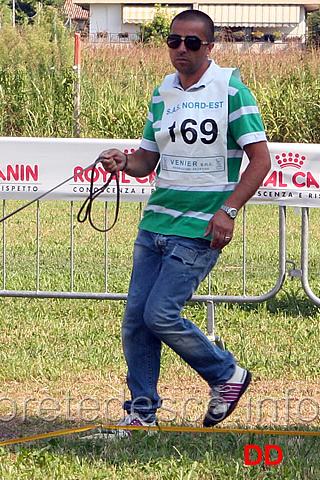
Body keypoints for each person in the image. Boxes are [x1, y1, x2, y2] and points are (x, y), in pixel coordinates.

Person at [95, 10, 271, 435]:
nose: (181, 49)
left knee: (160, 314)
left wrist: (228, 210)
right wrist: (124, 162)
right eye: (175, 41)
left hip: (199, 228)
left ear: (209, 47)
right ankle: (141, 413)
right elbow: (148, 159)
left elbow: (261, 160)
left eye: (192, 43)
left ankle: (226, 374)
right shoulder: (162, 93)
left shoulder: (231, 88)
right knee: (137, 320)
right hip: (156, 223)